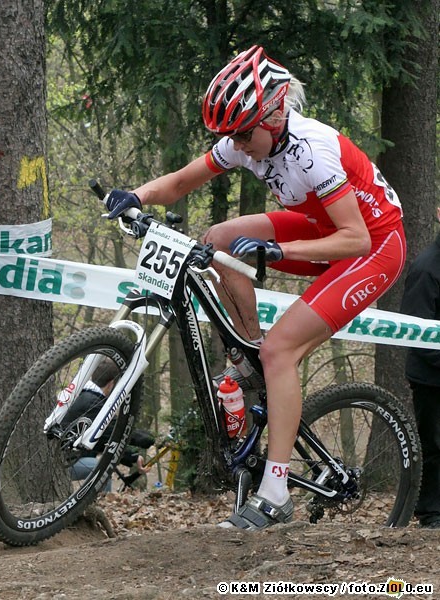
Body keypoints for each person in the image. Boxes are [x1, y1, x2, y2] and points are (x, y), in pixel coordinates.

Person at [105, 46, 406, 530]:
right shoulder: (246, 139)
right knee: (220, 239)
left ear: (275, 115)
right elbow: (179, 183)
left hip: (373, 246)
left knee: (281, 351)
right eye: (232, 137)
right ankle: (249, 353)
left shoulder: (312, 151)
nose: (238, 145)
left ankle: (276, 492)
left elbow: (356, 239)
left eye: (244, 134)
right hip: (323, 227)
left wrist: (279, 251)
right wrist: (134, 196)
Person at [400, 207, 440, 529]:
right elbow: (416, 333)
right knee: (435, 445)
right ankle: (431, 513)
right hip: (431, 377)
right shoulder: (426, 269)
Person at [63, 357, 153, 491]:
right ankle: (102, 500)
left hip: (68, 459)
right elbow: (117, 431)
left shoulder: (84, 396)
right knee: (102, 469)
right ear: (111, 384)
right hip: (65, 463)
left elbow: (104, 440)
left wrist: (133, 457)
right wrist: (150, 439)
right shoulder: (94, 403)